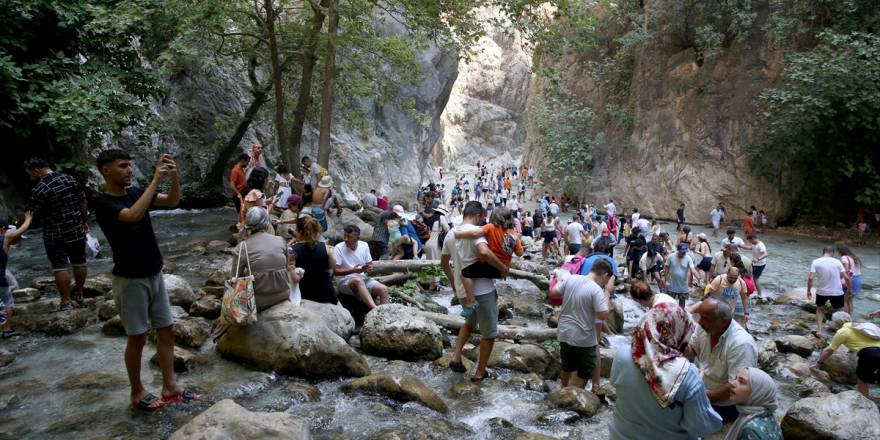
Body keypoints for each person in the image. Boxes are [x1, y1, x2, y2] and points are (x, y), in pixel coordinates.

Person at [92, 149, 198, 411]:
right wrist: (154, 181)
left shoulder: (137, 192)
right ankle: (137, 391)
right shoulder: (103, 202)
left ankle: (170, 385)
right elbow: (131, 216)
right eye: (123, 166)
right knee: (137, 337)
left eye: (130, 165)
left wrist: (173, 177)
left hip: (154, 271)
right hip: (129, 278)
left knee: (167, 330)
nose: (129, 170)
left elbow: (172, 202)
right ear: (106, 171)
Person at [609, 301, 721, 439]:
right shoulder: (687, 374)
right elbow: (700, 427)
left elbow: (616, 385)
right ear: (678, 331)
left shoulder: (623, 354)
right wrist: (699, 385)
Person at [443, 201, 508, 381]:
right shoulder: (478, 233)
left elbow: (443, 262)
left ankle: (456, 356)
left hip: (463, 291)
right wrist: (503, 268)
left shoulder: (451, 233)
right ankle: (480, 371)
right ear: (479, 215)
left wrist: (453, 283)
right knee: (490, 333)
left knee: (470, 322)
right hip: (483, 291)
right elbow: (484, 252)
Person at [24, 158, 90, 310]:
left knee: (60, 266)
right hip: (76, 227)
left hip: (54, 232)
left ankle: (66, 301)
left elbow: (31, 212)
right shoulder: (70, 178)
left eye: (30, 174)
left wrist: (19, 228)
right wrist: (84, 220)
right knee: (79, 261)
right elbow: (83, 201)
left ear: (37, 170)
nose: (30, 177)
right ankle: (79, 292)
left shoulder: (40, 188)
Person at [687, 298, 757, 423]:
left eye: (706, 318)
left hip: (725, 405)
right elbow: (693, 350)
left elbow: (736, 386)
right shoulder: (704, 327)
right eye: (700, 316)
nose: (700, 322)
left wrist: (705, 398)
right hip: (701, 390)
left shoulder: (741, 344)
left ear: (723, 321)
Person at [548, 260, 611, 389]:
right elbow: (603, 315)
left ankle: (563, 390)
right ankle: (574, 395)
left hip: (564, 333)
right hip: (584, 338)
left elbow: (554, 293)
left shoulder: (571, 279)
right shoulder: (596, 290)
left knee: (567, 366)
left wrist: (560, 280)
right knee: (585, 371)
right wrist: (607, 295)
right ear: (605, 275)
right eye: (607, 280)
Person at [452, 207, 520, 317]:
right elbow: (520, 253)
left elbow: (475, 234)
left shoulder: (490, 227)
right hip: (500, 271)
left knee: (464, 274)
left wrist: (458, 234)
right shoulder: (513, 234)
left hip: (491, 265)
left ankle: (471, 301)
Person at [233, 208, 292, 311]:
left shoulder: (242, 247)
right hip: (284, 295)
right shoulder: (281, 240)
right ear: (266, 224)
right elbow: (286, 269)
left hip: (257, 301)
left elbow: (235, 278)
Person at [815, 311, 880, 398]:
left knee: (862, 379)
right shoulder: (858, 325)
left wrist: (819, 362)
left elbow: (829, 351)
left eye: (833, 321)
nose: (832, 323)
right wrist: (851, 349)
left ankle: (864, 401)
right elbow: (860, 339)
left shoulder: (842, 332)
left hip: (870, 354)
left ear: (838, 323)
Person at [333, 225, 389, 310]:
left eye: (349, 237)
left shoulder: (364, 245)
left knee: (383, 289)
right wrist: (353, 270)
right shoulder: (338, 248)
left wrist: (369, 268)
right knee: (358, 281)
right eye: (345, 236)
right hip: (344, 281)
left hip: (363, 278)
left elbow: (370, 264)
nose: (345, 239)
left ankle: (385, 314)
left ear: (357, 238)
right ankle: (376, 311)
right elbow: (335, 271)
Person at [725, 367, 783, 440]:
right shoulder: (766, 414)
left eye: (741, 382)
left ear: (757, 393)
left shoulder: (750, 431)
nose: (732, 383)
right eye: (735, 378)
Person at [0, 212, 34, 337]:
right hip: (0, 275)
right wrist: (28, 219)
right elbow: (22, 229)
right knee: (9, 302)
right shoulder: (4, 235)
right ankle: (7, 329)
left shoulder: (6, 240)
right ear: (3, 229)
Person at [290, 216, 337, 304]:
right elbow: (333, 268)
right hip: (327, 294)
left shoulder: (292, 250)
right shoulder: (327, 248)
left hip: (305, 295)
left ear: (299, 232)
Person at [807, 246, 850, 336]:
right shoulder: (837, 262)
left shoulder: (816, 261)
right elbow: (846, 277)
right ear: (832, 253)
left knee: (820, 309)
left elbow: (811, 278)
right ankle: (842, 332)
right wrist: (849, 289)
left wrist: (808, 290)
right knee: (840, 311)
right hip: (837, 291)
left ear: (823, 252)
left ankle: (819, 331)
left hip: (822, 291)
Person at [665, 243, 700, 308]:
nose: (684, 253)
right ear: (678, 250)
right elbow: (666, 267)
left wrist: (697, 277)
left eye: (684, 252)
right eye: (682, 252)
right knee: (669, 302)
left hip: (683, 285)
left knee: (682, 302)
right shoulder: (671, 256)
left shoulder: (688, 258)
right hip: (672, 284)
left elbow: (692, 269)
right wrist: (665, 280)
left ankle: (681, 314)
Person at [837, 245, 862, 315]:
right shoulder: (855, 258)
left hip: (850, 280)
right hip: (858, 280)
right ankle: (850, 318)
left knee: (844, 301)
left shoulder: (844, 257)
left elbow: (847, 269)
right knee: (850, 301)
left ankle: (845, 319)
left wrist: (839, 277)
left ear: (840, 252)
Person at [747, 235, 767, 299]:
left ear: (753, 239)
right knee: (749, 275)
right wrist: (740, 246)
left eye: (750, 241)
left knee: (756, 279)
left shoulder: (760, 245)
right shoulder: (754, 244)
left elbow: (766, 254)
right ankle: (753, 289)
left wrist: (758, 259)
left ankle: (760, 295)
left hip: (760, 264)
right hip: (755, 264)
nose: (750, 242)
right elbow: (750, 248)